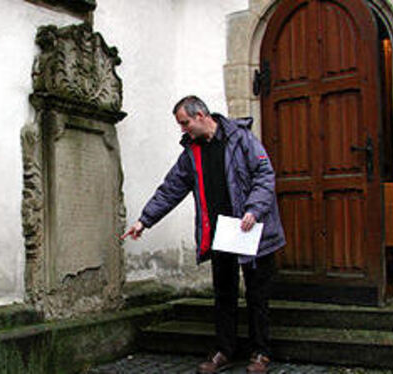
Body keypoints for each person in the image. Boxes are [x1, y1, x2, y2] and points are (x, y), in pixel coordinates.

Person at [121, 95, 285, 374]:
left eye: (185, 123)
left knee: (258, 295)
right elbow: (171, 188)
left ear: (201, 116)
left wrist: (254, 209)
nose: (183, 129)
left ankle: (261, 353)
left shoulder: (241, 138)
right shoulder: (191, 153)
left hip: (251, 230)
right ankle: (224, 351)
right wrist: (144, 221)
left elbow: (264, 174)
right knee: (224, 295)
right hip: (220, 234)